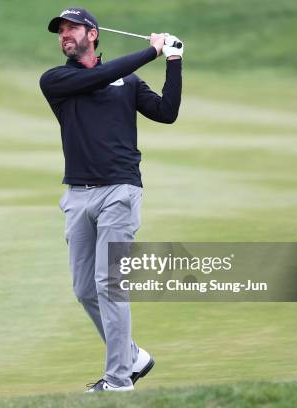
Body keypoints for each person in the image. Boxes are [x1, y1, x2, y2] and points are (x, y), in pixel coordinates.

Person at [39, 7, 183, 392]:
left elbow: (166, 113)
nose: (65, 35)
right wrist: (150, 51)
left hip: (120, 190)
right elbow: (101, 76)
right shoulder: (56, 80)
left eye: (72, 28)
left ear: (93, 34)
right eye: (61, 31)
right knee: (85, 289)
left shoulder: (129, 83)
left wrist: (173, 61)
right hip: (77, 196)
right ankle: (133, 357)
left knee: (109, 284)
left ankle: (119, 380)